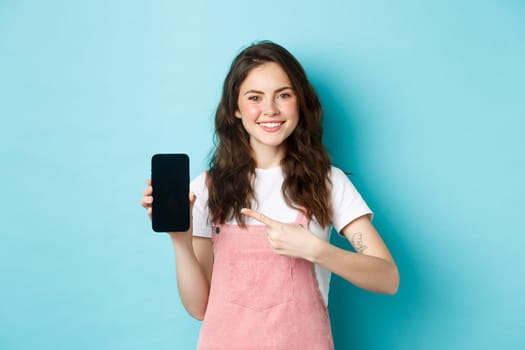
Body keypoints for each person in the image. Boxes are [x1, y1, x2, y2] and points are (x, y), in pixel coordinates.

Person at [141, 41, 399, 349]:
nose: (270, 110)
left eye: (284, 95)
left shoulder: (327, 182)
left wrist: (315, 250)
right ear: (235, 108)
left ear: (300, 102)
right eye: (254, 97)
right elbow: (199, 308)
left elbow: (387, 278)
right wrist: (180, 241)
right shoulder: (205, 190)